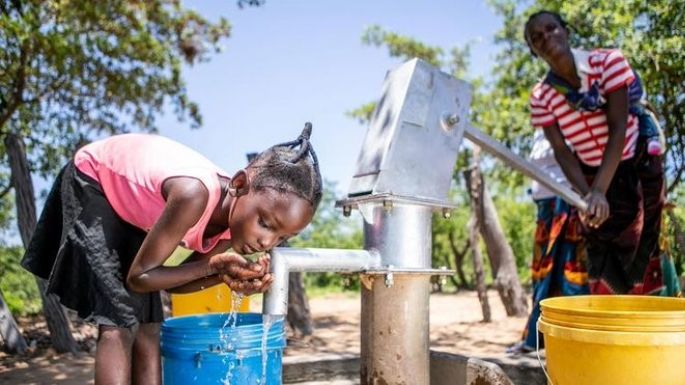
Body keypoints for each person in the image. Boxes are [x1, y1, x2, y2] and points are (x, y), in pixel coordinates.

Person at [21, 123, 323, 385]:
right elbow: (141, 277)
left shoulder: (235, 228)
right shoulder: (193, 194)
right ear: (240, 185)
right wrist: (211, 268)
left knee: (150, 328)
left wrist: (222, 275)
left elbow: (168, 283)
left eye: (283, 237)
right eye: (266, 224)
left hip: (134, 208)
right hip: (95, 179)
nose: (267, 241)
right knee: (117, 323)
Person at [524, 11, 673, 295]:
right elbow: (562, 152)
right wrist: (586, 197)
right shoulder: (541, 97)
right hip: (590, 177)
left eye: (551, 29)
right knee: (601, 256)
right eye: (536, 38)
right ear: (533, 51)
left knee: (641, 251)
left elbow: (618, 128)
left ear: (566, 31)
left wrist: (599, 192)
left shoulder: (607, 62)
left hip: (632, 165)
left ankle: (646, 328)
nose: (546, 38)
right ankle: (608, 330)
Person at [508, 131, 589, 354]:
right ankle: (536, 339)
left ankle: (577, 342)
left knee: (569, 276)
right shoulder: (540, 130)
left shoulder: (572, 117)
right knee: (541, 277)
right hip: (545, 210)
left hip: (568, 206)